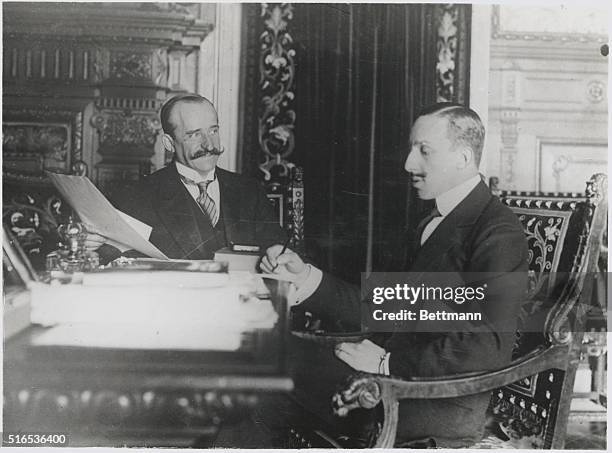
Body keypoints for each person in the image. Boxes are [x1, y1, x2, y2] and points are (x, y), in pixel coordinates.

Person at [261, 103, 529, 447]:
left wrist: (388, 363)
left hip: (433, 401)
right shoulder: (434, 220)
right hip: (391, 380)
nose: (408, 164)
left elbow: (487, 345)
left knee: (264, 381)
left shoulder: (497, 231)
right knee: (269, 359)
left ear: (463, 158)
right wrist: (306, 278)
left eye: (424, 151)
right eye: (411, 148)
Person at [86, 94, 286, 260]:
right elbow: (110, 256)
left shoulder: (250, 190)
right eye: (194, 135)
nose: (209, 144)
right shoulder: (139, 195)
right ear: (169, 143)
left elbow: (280, 252)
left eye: (213, 130)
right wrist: (92, 245)